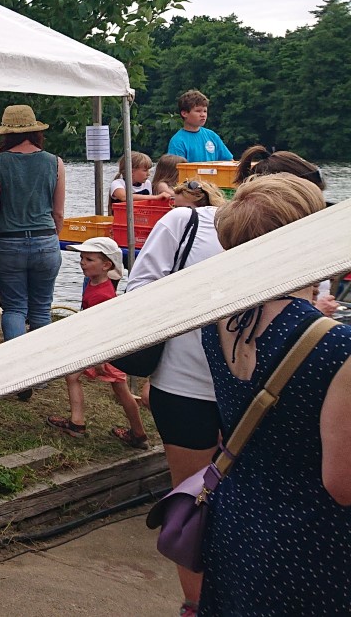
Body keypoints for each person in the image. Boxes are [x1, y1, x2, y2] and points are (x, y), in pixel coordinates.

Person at [197, 174, 351, 616]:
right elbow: (342, 484)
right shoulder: (336, 345)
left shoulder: (219, 320)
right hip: (310, 541)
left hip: (236, 517)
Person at [121, 181, 227, 616]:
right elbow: (138, 294)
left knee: (251, 503)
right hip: (186, 385)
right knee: (193, 503)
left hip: (260, 390)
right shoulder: (184, 223)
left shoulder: (300, 238)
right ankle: (196, 606)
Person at [0, 105, 66, 379]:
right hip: (46, 240)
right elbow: (58, 212)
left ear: (6, 134)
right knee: (41, 309)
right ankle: (40, 374)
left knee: (14, 307)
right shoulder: (55, 162)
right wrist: (53, 238)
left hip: (8, 243)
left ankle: (17, 374)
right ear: (35, 131)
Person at [44, 237, 149, 448]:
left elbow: (105, 328)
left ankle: (135, 433)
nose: (82, 263)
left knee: (119, 390)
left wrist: (101, 358)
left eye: (89, 259)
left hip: (105, 349)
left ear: (106, 265)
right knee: (102, 384)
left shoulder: (103, 295)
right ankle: (81, 423)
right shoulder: (95, 284)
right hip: (100, 347)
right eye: (82, 258)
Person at [233, 145, 339, 316]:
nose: (318, 210)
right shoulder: (266, 251)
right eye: (311, 200)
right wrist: (317, 314)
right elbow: (266, 319)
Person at [166, 90, 233, 163]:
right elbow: (175, 168)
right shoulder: (178, 141)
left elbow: (229, 162)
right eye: (198, 111)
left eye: (205, 111)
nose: (203, 115)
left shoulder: (212, 136)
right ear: (184, 113)